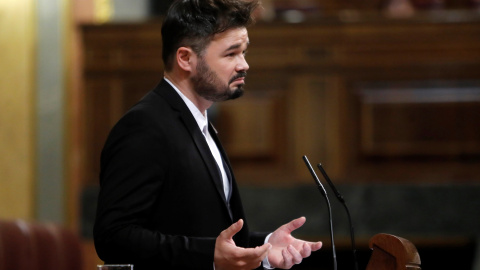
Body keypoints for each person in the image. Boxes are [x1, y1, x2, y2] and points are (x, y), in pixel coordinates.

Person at [93, 0, 322, 269]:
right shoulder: (144, 126)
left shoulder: (199, 122)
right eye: (231, 54)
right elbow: (113, 236)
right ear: (186, 59)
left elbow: (208, 234)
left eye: (244, 52)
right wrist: (208, 255)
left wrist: (266, 247)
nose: (244, 64)